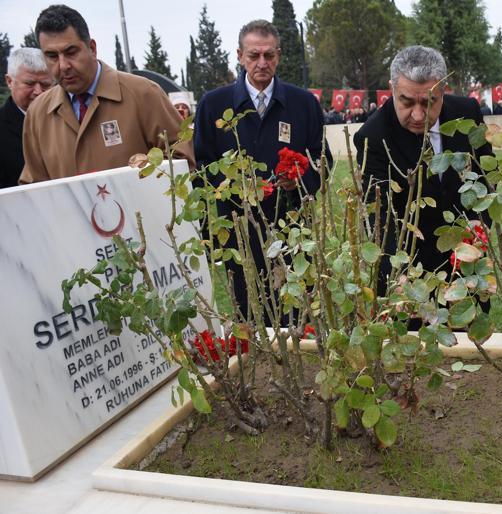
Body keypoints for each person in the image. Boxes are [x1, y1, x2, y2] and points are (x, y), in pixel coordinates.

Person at [194, 19, 327, 320]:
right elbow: (202, 165)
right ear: (239, 55)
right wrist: (232, 187)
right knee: (249, 308)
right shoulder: (213, 105)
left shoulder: (303, 103)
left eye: (269, 55)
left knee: (294, 311)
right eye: (254, 55)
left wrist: (301, 181)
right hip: (240, 228)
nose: (262, 63)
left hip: (291, 227)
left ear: (278, 55)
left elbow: (321, 160)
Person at [353, 45, 494, 282]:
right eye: (406, 102)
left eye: (429, 102)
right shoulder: (373, 137)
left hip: (468, 264)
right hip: (410, 270)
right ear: (392, 89)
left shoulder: (467, 113)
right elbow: (379, 216)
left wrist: (480, 226)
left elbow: (485, 175)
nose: (418, 115)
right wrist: (396, 274)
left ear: (443, 90)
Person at [19, 5, 193, 184]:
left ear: (92, 48)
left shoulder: (143, 94)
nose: (63, 65)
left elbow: (182, 161)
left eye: (71, 52)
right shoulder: (38, 114)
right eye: (52, 56)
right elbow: (34, 188)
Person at [0, 48, 53, 188]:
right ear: (10, 81)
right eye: (30, 84)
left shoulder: (68, 118)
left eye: (46, 85)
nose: (38, 92)